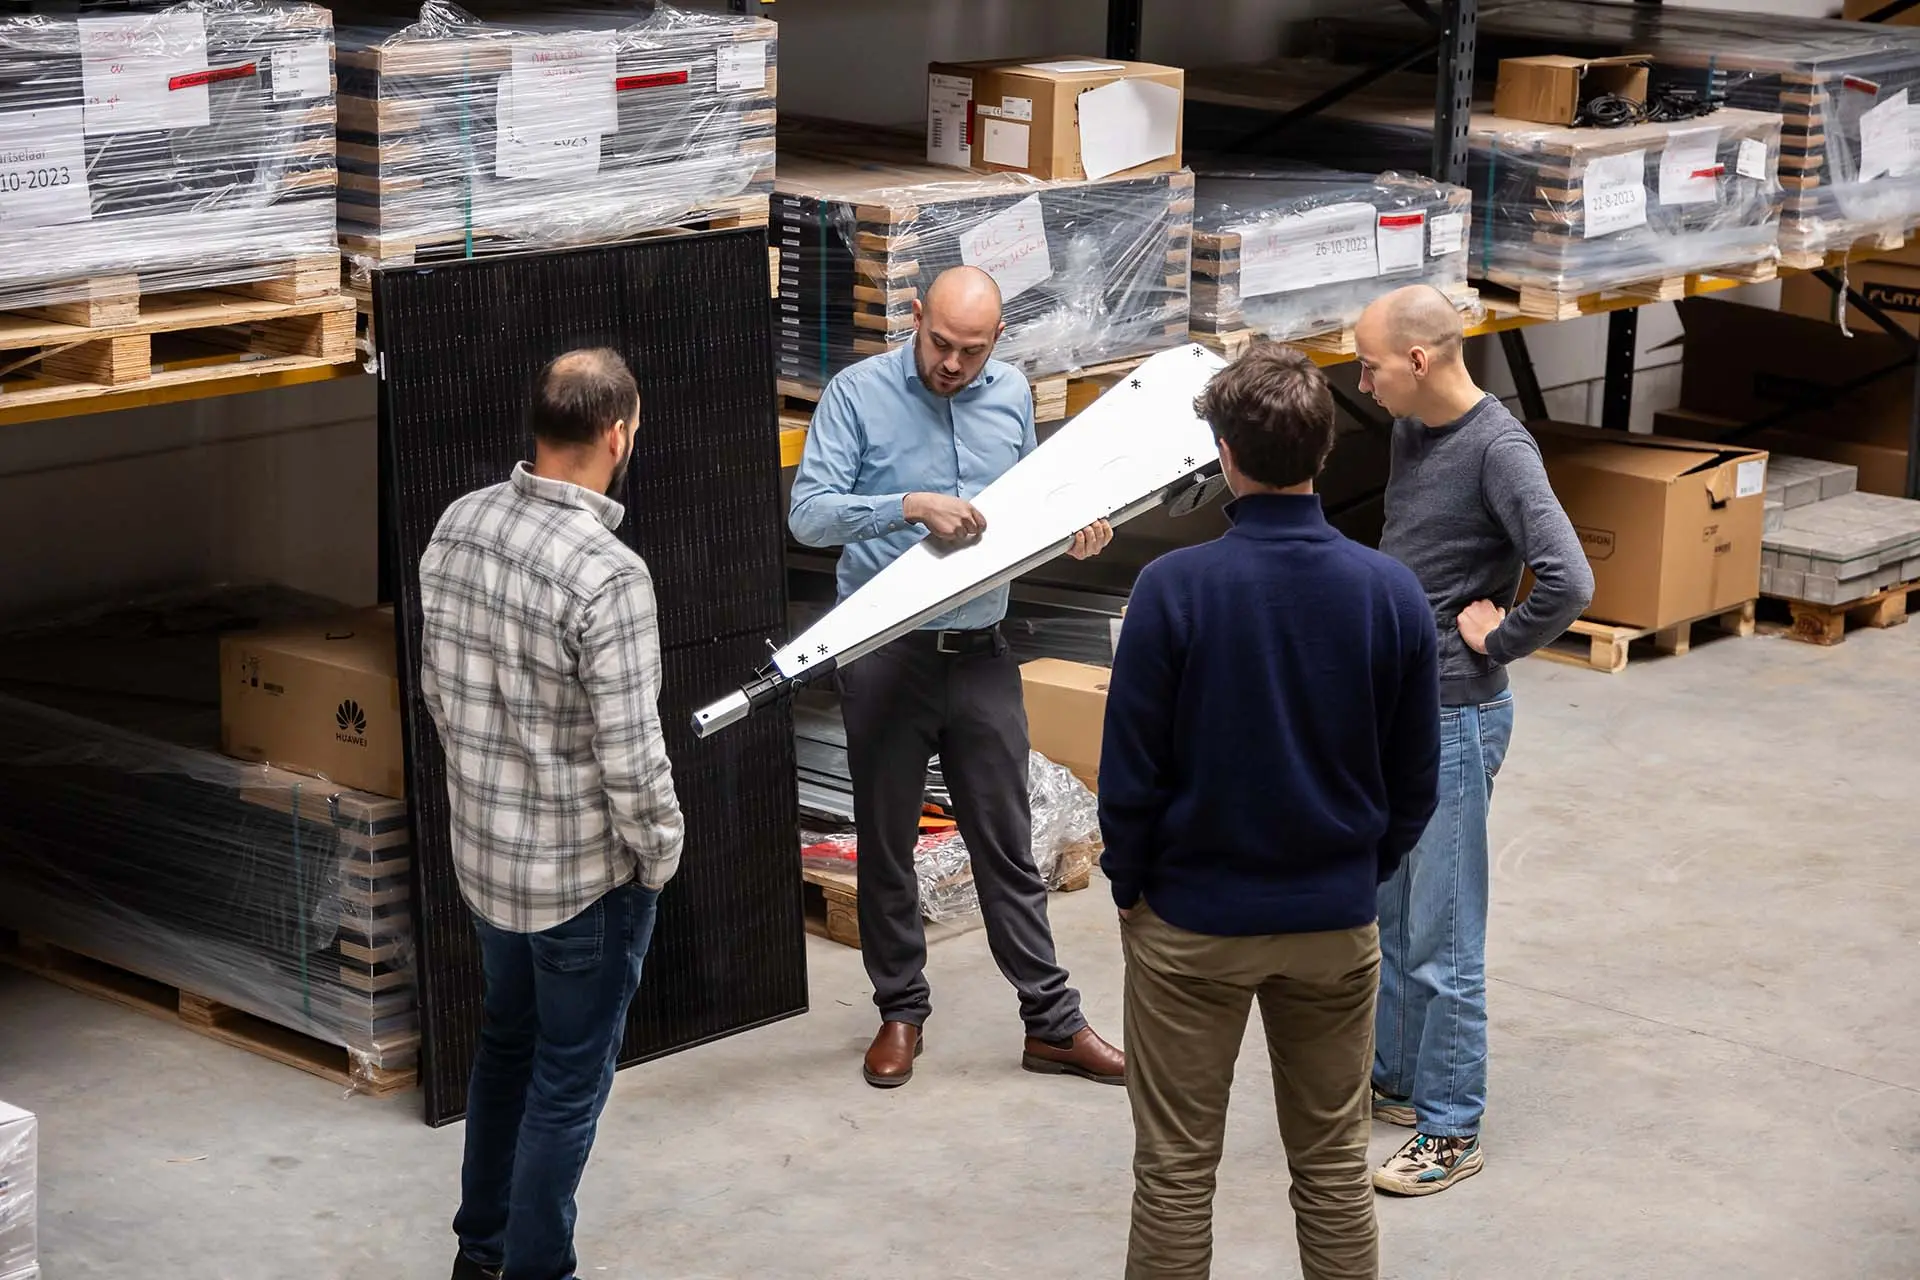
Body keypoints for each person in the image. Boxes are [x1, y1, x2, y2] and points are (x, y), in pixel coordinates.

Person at [1100, 343, 1441, 1280]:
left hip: (1193, 926)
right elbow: (1417, 780)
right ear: (1325, 449)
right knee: (1333, 1167)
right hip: (1332, 927)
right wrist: (1353, 874)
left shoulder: (1173, 590)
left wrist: (1134, 887)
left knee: (1174, 1173)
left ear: (1222, 451)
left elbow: (1129, 773)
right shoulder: (1391, 594)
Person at [789, 265, 1126, 1089]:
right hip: (886, 654)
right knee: (889, 844)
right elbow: (808, 512)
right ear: (915, 319)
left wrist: (1076, 528)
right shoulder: (857, 394)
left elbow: (1035, 505)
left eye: (972, 350)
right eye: (941, 343)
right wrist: (907, 503)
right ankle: (900, 1010)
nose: (953, 364)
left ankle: (1051, 1023)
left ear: (997, 342)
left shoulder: (1010, 394)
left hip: (979, 650)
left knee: (1008, 844)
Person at [419, 348, 685, 1280]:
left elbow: (439, 694)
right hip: (582, 886)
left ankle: (479, 1257)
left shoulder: (458, 525)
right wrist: (660, 855)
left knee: (503, 1052)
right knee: (566, 1091)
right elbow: (631, 756)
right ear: (618, 433)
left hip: (486, 867)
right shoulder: (610, 576)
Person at [1354, 285, 1594, 1196]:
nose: (1362, 380)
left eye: (1371, 365)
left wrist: (1500, 638)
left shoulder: (1499, 449)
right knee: (1389, 915)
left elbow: (1569, 578)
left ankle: (1452, 1128)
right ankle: (1400, 1083)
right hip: (1400, 705)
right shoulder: (1412, 428)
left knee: (1444, 934)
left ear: (1419, 361)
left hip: (1455, 713)